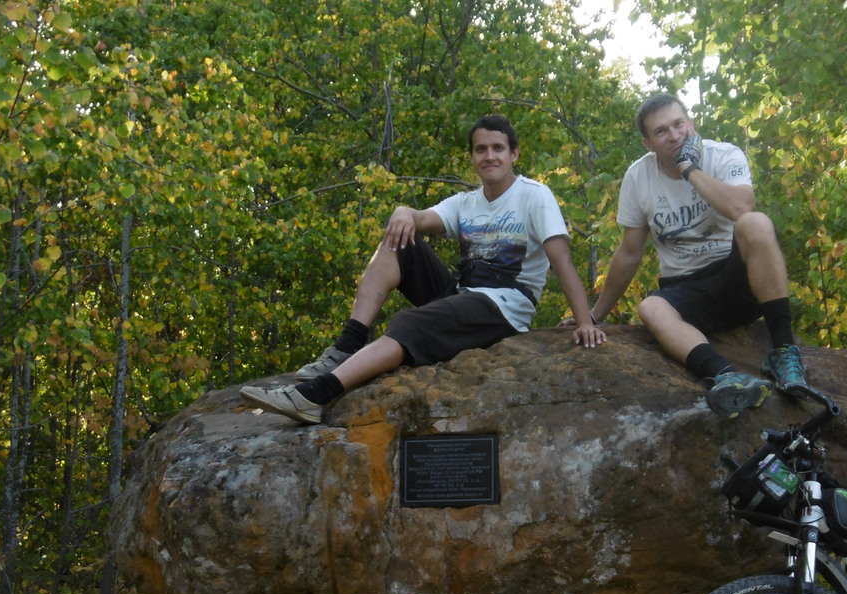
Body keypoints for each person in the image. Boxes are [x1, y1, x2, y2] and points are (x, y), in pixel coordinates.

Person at [241, 115, 606, 424]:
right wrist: (403, 212)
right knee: (400, 238)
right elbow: (420, 219)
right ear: (473, 157)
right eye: (481, 149)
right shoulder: (467, 202)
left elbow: (561, 258)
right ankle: (347, 346)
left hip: (505, 307)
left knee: (409, 322)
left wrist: (585, 320)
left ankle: (315, 397)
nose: (489, 156)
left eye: (498, 148)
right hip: (464, 297)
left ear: (514, 154)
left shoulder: (533, 195)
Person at [568, 94, 808, 417]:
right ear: (648, 143)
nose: (675, 135)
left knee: (756, 224)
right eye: (662, 131)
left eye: (679, 124)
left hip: (736, 279)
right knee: (650, 306)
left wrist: (690, 169)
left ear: (691, 124)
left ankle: (783, 351)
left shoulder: (723, 156)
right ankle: (728, 378)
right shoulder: (638, 177)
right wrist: (594, 315)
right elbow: (629, 252)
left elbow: (741, 207)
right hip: (686, 289)